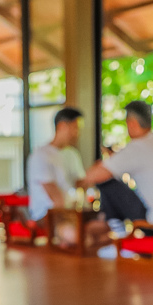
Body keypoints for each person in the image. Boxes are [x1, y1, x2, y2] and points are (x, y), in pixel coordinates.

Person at [82, 100, 153, 230]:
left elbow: (94, 176)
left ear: (132, 123)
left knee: (107, 182)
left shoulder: (137, 148)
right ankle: (115, 229)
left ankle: (116, 232)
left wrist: (78, 177)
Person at [27, 107, 109, 249]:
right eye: (75, 128)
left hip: (72, 213)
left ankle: (76, 237)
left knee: (108, 231)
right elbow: (56, 198)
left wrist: (100, 169)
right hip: (49, 215)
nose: (77, 133)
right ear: (61, 126)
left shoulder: (72, 154)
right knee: (86, 239)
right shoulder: (41, 156)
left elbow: (81, 183)